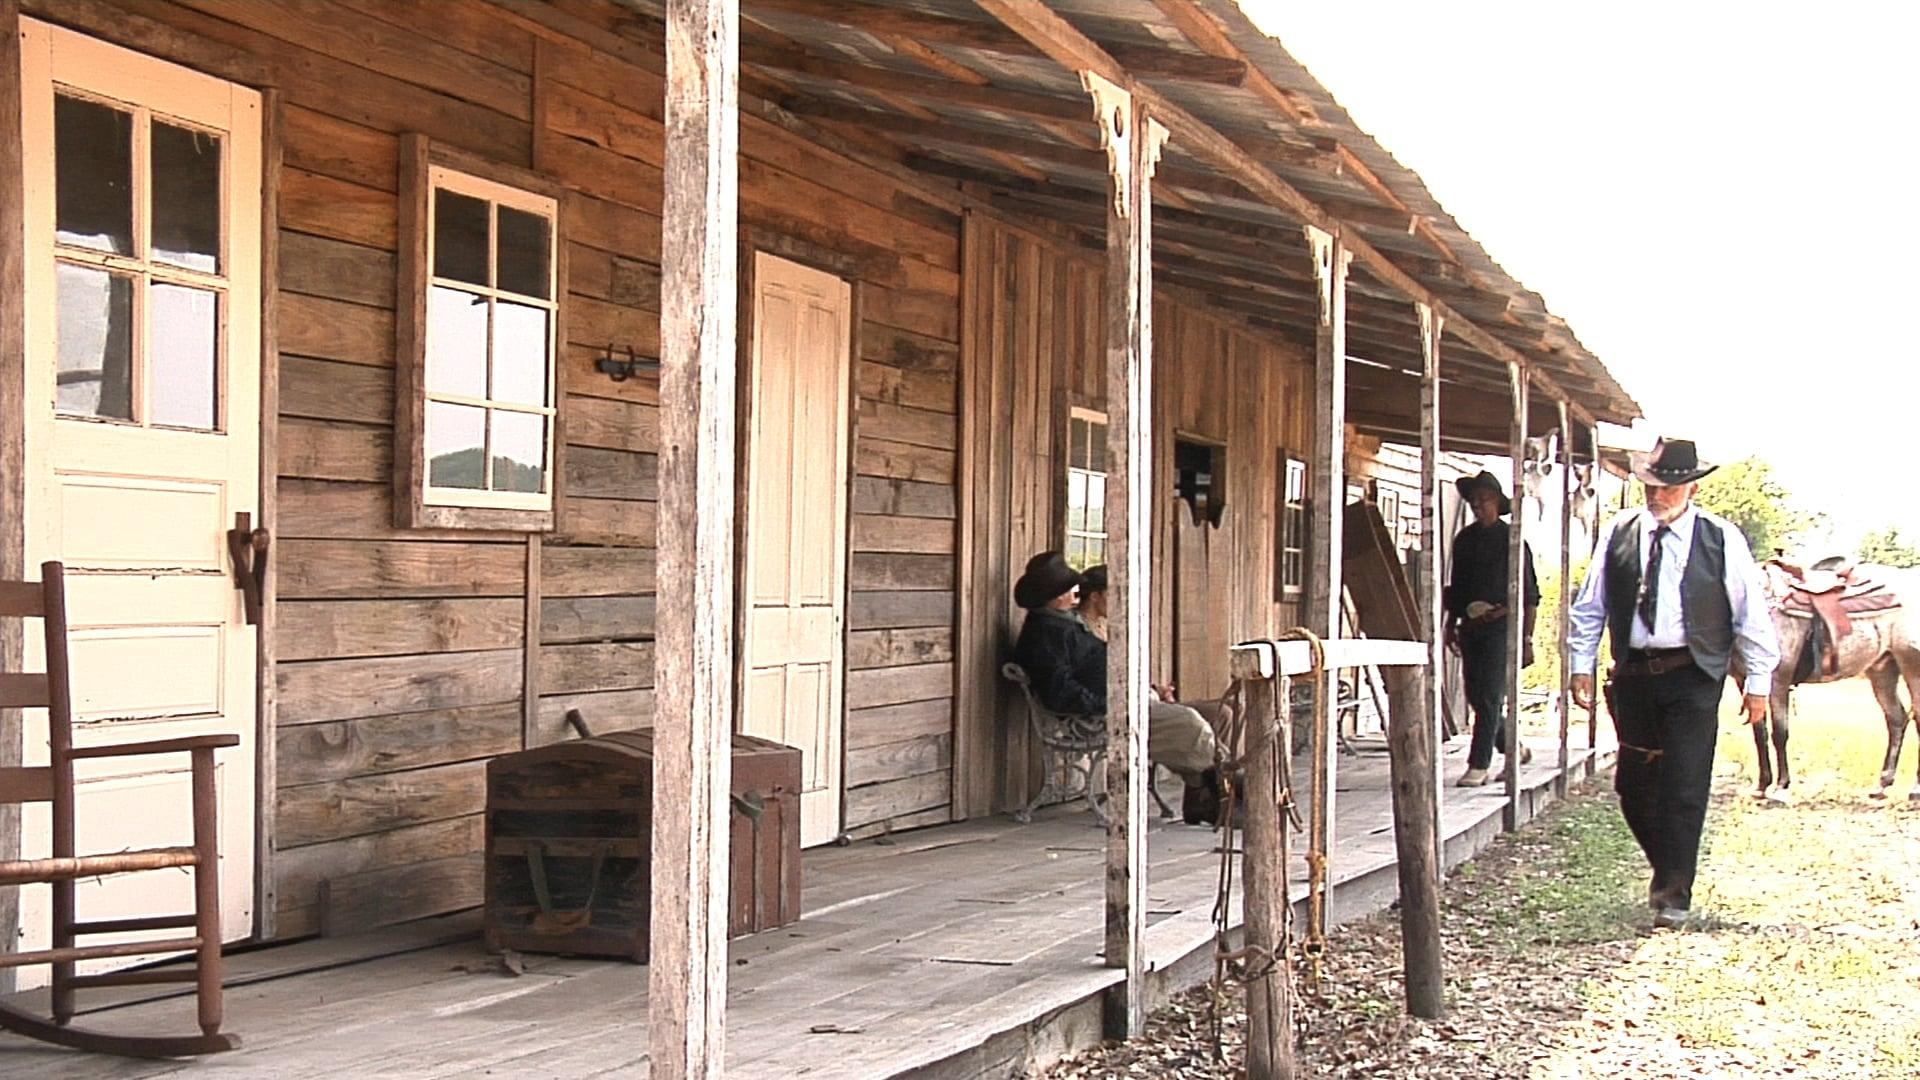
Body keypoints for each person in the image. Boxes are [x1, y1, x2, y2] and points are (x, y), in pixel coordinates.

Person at [1567, 438, 1779, 929]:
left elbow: (1750, 612)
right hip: (1635, 675)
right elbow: (1591, 604)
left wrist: (1759, 680)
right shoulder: (1620, 533)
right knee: (1633, 787)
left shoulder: (1720, 537)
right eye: (1652, 486)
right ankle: (1669, 866)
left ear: (1692, 487)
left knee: (1684, 784)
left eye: (1669, 487)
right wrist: (1581, 662)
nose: (1658, 496)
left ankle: (1673, 895)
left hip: (1693, 675)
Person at [1012, 552, 1223, 823]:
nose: (1075, 591)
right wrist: (1112, 703)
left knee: (1215, 713)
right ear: (1054, 596)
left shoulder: (1064, 623)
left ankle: (1206, 798)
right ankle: (1227, 791)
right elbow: (1060, 692)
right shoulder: (1046, 634)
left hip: (1124, 702)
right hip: (1098, 717)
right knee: (1190, 723)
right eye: (1068, 588)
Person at [1444, 470, 1541, 787]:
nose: (1478, 505)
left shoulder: (1513, 541)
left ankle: (1479, 764)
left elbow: (1530, 595)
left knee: (1490, 697)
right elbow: (1456, 589)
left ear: (1498, 503)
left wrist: (1526, 638)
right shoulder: (1465, 541)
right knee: (1475, 695)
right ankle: (1513, 748)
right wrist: (1451, 625)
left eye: (1484, 500)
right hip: (1471, 626)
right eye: (1474, 500)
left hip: (1502, 628)